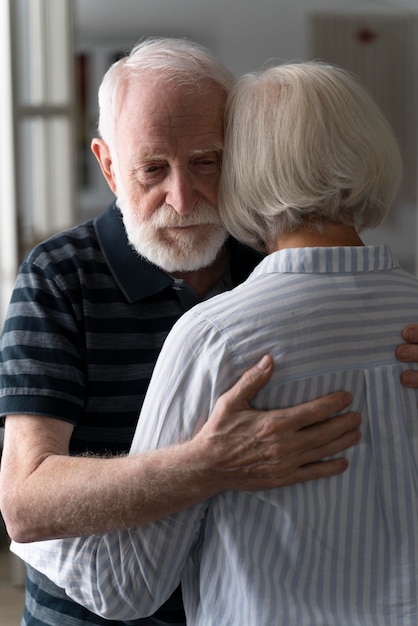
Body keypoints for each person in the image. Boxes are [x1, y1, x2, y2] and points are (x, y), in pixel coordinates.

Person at [15, 60, 418, 626]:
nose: (182, 198)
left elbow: (123, 585)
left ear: (245, 160)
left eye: (207, 162)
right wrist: (203, 465)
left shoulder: (227, 319)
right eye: (152, 169)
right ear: (108, 167)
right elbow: (25, 502)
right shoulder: (59, 275)